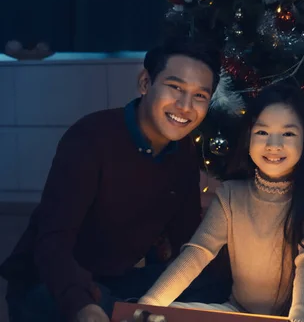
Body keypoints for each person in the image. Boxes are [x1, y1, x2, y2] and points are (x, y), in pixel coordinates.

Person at [0, 39, 232, 322]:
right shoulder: (91, 138)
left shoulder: (183, 151)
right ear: (146, 83)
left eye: (199, 96)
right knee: (111, 308)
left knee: (216, 280)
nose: (185, 106)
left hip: (115, 280)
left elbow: (186, 240)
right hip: (49, 282)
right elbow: (52, 245)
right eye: (176, 88)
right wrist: (83, 306)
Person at [138, 82, 304, 322]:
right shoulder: (231, 195)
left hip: (294, 317)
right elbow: (198, 253)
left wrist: (301, 315)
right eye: (262, 132)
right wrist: (150, 303)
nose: (274, 145)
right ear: (248, 137)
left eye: (288, 133)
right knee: (162, 316)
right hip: (236, 313)